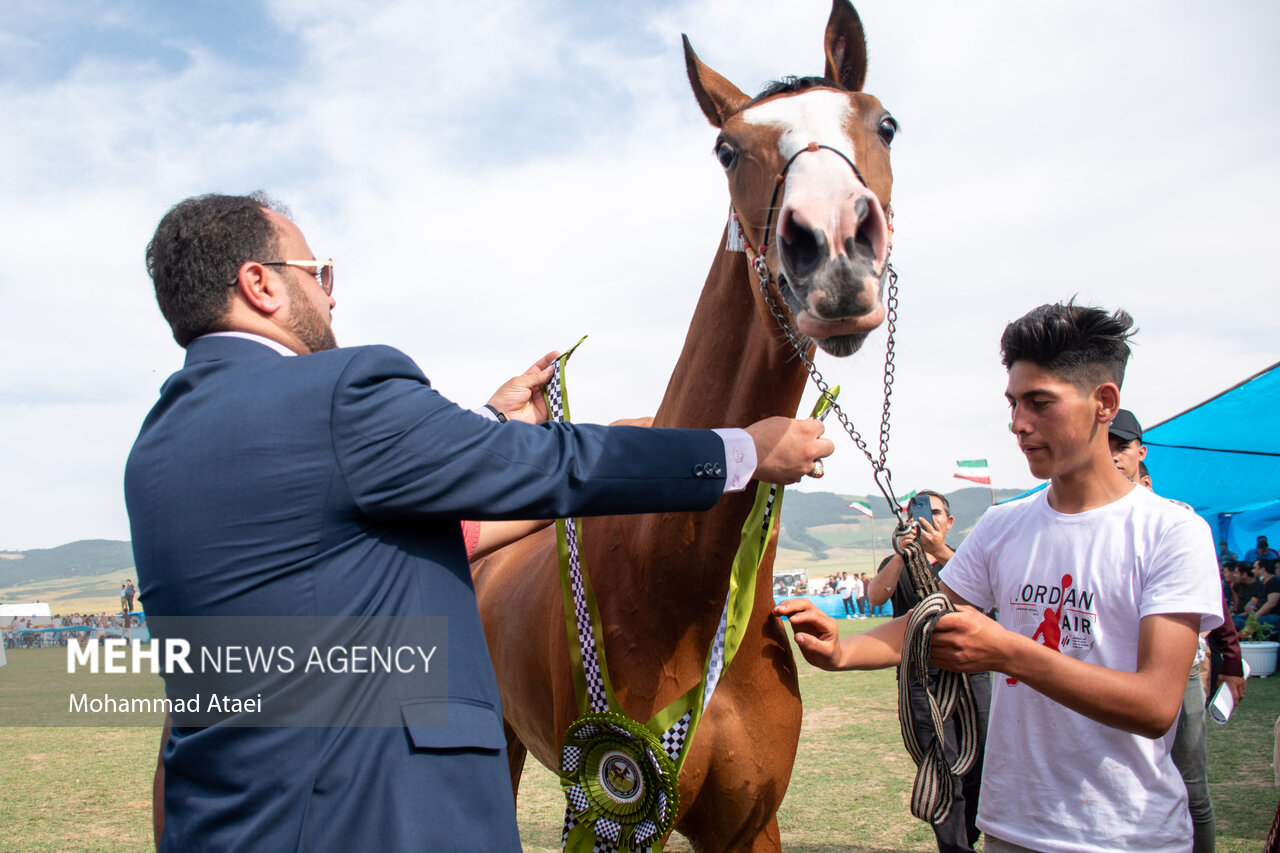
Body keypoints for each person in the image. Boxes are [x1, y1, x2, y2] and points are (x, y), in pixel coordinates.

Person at [129, 192, 833, 852]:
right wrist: (739, 449)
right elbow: (555, 464)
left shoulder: (155, 448)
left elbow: (350, 539)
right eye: (320, 271)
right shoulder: (342, 389)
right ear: (262, 284)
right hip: (379, 819)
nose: (331, 291)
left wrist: (489, 421)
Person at [776, 301, 1222, 853]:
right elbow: (929, 617)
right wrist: (843, 649)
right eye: (1013, 403)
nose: (1018, 424)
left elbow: (1155, 706)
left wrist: (1007, 651)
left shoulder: (1171, 532)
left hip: (1127, 835)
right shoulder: (1004, 525)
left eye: (1040, 403)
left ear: (1104, 403)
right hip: (1011, 828)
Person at [866, 489, 991, 853]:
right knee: (941, 770)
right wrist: (902, 556)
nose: (927, 518)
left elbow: (982, 600)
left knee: (979, 768)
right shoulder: (898, 559)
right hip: (922, 679)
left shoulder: (967, 559)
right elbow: (875, 597)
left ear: (949, 522)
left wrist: (938, 552)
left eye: (935, 512)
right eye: (919, 511)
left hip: (972, 675)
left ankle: (966, 838)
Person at [1237, 558, 1280, 632]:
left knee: (1255, 623)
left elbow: (1271, 603)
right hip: (1259, 614)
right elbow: (1252, 603)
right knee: (1236, 620)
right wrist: (1250, 609)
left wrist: (1255, 616)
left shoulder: (1275, 581)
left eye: (1255, 568)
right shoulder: (1260, 584)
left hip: (1273, 616)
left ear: (1262, 570)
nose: (1252, 571)